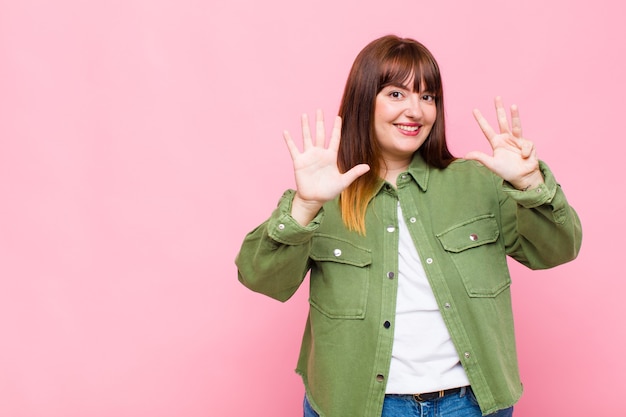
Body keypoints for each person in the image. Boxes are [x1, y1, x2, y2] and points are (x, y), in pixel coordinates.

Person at [235, 35, 582, 417]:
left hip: (469, 405)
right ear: (364, 100)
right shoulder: (325, 191)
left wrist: (530, 183)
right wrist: (304, 205)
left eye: (428, 96)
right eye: (397, 94)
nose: (416, 110)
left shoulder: (479, 182)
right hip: (354, 405)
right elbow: (259, 277)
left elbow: (558, 249)